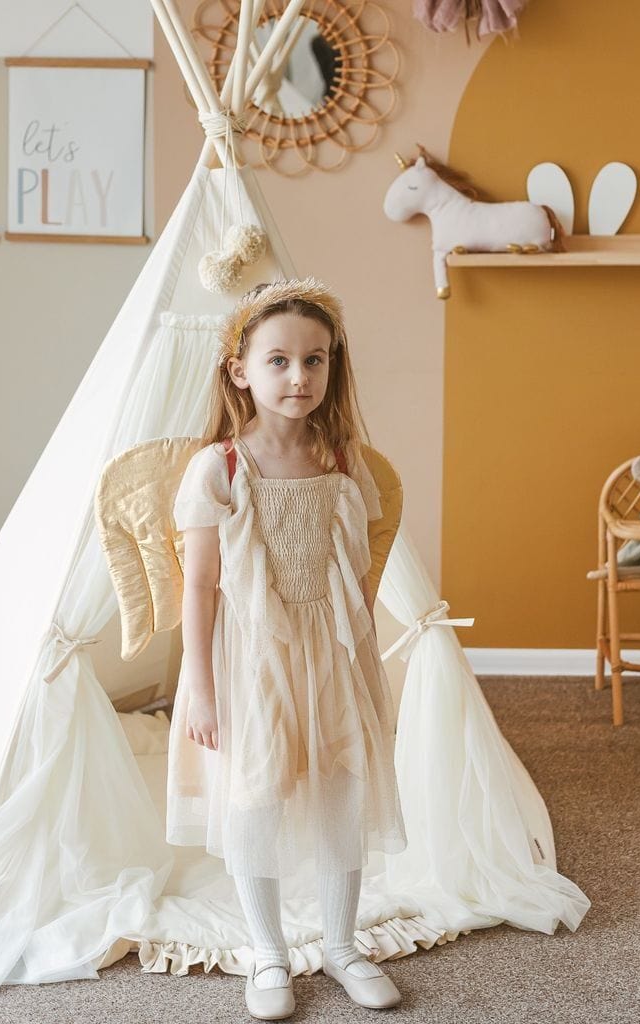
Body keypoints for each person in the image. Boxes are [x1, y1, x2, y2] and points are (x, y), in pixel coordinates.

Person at [166, 278, 407, 1019]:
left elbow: (356, 566)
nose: (299, 377)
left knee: (341, 790)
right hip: (251, 662)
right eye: (278, 361)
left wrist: (358, 658)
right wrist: (200, 689)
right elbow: (200, 590)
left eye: (315, 360)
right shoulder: (221, 469)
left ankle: (340, 944)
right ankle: (269, 951)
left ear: (333, 366)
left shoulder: (342, 459)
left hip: (330, 654)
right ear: (241, 370)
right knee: (257, 799)